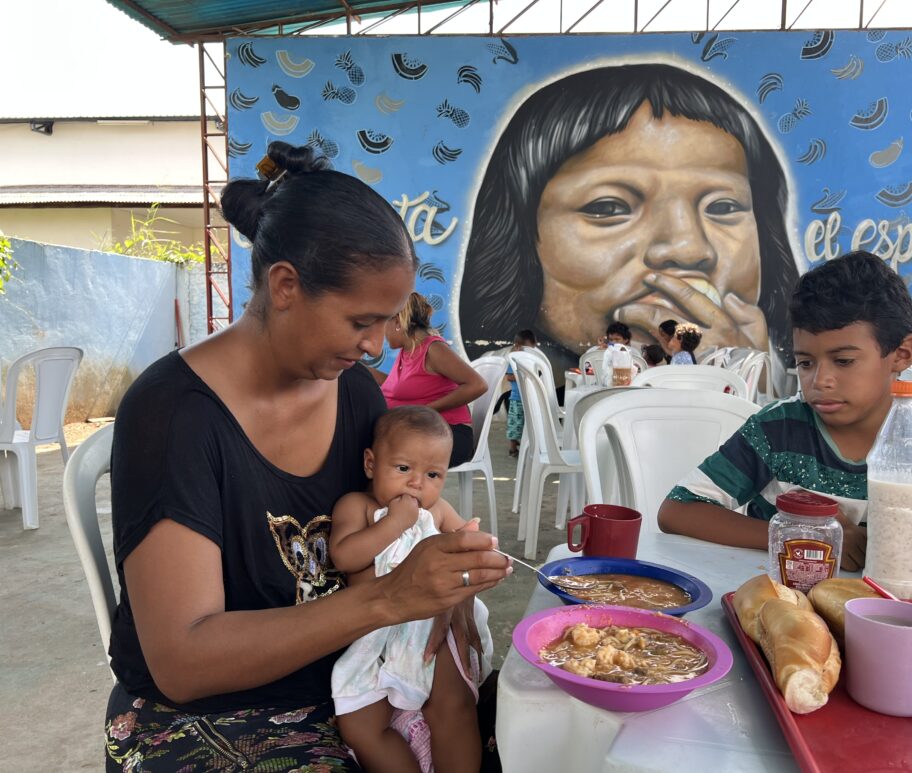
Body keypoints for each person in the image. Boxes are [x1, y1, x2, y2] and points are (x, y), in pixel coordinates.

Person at [104, 140, 511, 771]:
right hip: (210, 713)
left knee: (523, 728)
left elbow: (408, 505)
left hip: (355, 673)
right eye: (360, 322)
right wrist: (389, 599)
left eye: (387, 322)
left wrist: (452, 580)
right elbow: (184, 662)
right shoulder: (172, 416)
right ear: (286, 285)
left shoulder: (352, 392)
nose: (377, 346)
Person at [657, 250, 912, 583]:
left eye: (844, 361)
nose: (820, 381)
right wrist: (803, 535)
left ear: (902, 354)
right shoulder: (779, 426)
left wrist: (877, 548)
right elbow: (678, 510)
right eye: (805, 363)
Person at [458, 63, 800, 391]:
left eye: (722, 207)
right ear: (519, 239)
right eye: (609, 207)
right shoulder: (504, 373)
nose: (687, 248)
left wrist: (746, 371)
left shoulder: (794, 378)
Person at [330, 406, 490, 773]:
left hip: (434, 627)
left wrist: (471, 541)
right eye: (403, 469)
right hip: (377, 637)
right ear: (371, 464)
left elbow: (466, 546)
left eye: (432, 474)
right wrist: (396, 523)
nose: (417, 484)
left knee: (453, 705)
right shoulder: (359, 506)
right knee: (358, 725)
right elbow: (345, 557)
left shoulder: (438, 512)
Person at [381, 291, 487, 468]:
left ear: (398, 322)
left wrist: (426, 411)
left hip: (447, 434)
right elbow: (395, 387)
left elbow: (477, 385)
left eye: (384, 323)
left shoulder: (433, 349)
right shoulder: (408, 350)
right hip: (425, 431)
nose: (382, 332)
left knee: (376, 452)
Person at [505, 329, 537, 457]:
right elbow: (509, 377)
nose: (530, 352)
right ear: (518, 347)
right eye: (528, 349)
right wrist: (523, 375)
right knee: (515, 424)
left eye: (533, 349)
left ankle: (527, 445)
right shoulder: (513, 360)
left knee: (529, 424)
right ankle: (513, 447)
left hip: (530, 398)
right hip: (517, 398)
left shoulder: (532, 360)